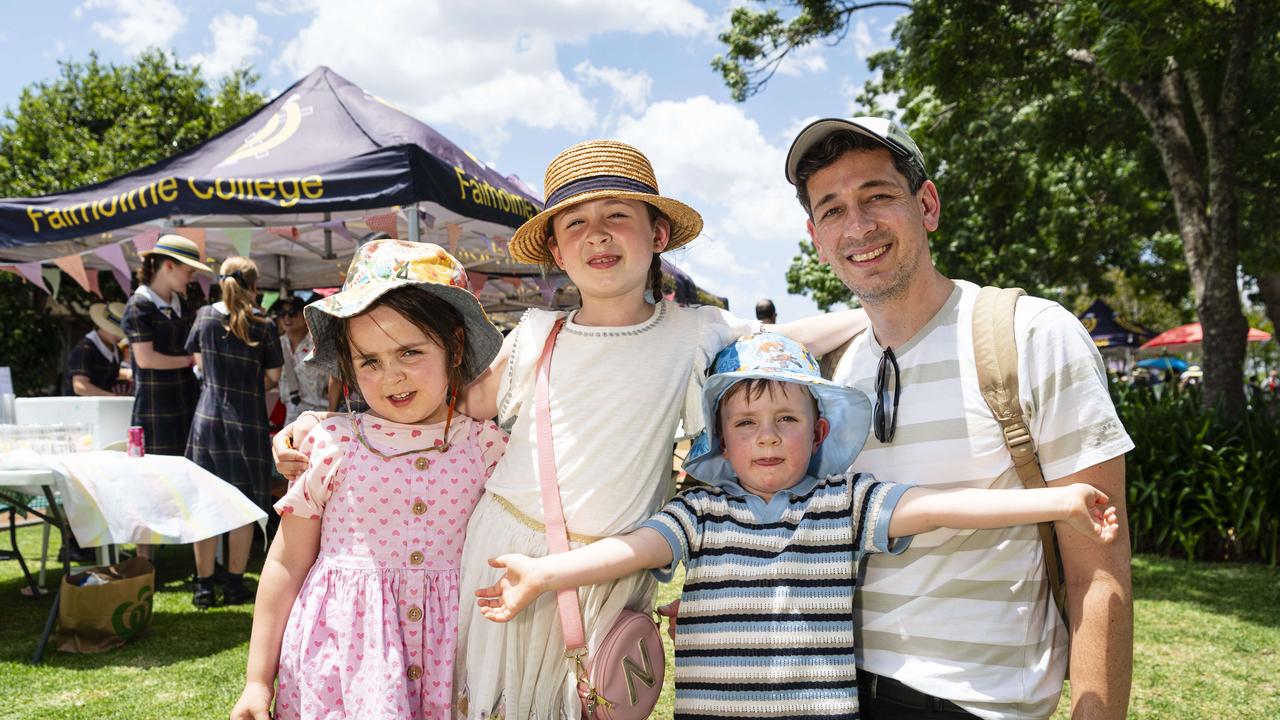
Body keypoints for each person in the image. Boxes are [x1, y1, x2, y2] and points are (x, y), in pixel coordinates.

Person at [272, 140, 865, 718]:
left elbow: (789, 341)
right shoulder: (534, 333)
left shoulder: (697, 330)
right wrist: (317, 428)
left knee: (584, 699)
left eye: (617, 216)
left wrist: (880, 310)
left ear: (657, 235)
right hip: (501, 554)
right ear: (555, 249)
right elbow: (445, 402)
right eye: (575, 222)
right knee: (490, 701)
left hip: (608, 566)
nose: (598, 234)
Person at [475, 332, 1120, 718]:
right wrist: (544, 573)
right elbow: (629, 550)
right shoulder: (700, 512)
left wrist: (1058, 504)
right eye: (746, 423)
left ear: (817, 435)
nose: (766, 437)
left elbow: (942, 504)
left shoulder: (846, 501)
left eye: (786, 420)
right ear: (721, 443)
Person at [785, 116, 1135, 719]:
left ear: (927, 205)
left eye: (877, 196)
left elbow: (1098, 575)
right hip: (835, 690)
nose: (859, 226)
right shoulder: (832, 375)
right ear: (816, 237)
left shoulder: (1031, 336)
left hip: (977, 703)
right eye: (834, 210)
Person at [230, 240, 507, 720]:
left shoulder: (485, 446)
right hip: (342, 665)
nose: (391, 377)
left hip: (457, 658)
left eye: (409, 352)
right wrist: (258, 680)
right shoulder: (326, 444)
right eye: (369, 361)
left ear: (455, 346)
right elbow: (286, 564)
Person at [185, 256, 284, 608]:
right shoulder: (264, 324)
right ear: (255, 287)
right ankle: (234, 583)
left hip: (207, 420)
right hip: (248, 421)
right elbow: (274, 376)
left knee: (205, 503)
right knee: (242, 504)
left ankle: (203, 586)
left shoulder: (203, 317)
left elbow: (197, 362)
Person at [122, 234, 210, 561]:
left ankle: (190, 554)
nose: (192, 277)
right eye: (189, 270)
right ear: (168, 266)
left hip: (186, 401)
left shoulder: (180, 303)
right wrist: (190, 361)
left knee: (184, 479)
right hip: (154, 409)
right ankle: (143, 561)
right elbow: (145, 359)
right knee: (148, 485)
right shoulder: (138, 305)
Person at [273, 297, 329, 426]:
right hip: (291, 414)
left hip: (320, 415)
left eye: (292, 313)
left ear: (305, 318)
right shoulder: (276, 345)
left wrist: (332, 411)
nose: (286, 318)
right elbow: (272, 378)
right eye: (281, 314)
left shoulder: (319, 344)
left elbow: (335, 381)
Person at [65, 302, 127, 396]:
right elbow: (79, 386)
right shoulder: (85, 349)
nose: (118, 336)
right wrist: (112, 397)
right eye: (114, 331)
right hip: (79, 407)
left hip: (103, 406)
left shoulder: (116, 350)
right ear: (103, 325)